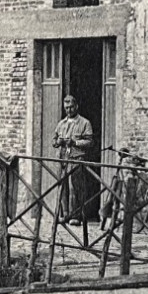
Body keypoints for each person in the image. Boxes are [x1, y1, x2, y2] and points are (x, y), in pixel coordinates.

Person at [53, 94, 96, 224]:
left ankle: (75, 216)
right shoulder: (61, 124)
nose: (69, 110)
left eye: (71, 107)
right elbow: (53, 141)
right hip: (62, 160)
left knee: (75, 188)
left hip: (76, 158)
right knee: (62, 186)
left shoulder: (84, 123)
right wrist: (58, 142)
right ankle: (64, 214)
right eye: (66, 108)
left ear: (76, 106)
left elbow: (90, 142)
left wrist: (75, 143)